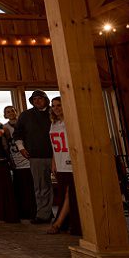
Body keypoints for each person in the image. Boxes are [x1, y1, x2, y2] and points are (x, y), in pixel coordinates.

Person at [12, 90, 54, 224]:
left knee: (67, 185)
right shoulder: (26, 115)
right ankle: (43, 215)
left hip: (58, 156)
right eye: (34, 99)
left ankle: (69, 215)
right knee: (41, 187)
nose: (37, 101)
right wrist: (21, 148)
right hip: (36, 156)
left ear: (45, 99)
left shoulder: (54, 113)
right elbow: (17, 134)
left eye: (39, 98)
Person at [47, 97, 81, 235]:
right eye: (53, 105)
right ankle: (66, 223)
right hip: (60, 162)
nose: (56, 108)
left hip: (71, 162)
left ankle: (58, 224)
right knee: (64, 194)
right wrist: (54, 162)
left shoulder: (71, 121)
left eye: (59, 105)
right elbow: (54, 146)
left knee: (70, 194)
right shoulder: (54, 123)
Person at [3, 106, 35, 220]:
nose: (11, 113)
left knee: (32, 188)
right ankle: (23, 212)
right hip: (16, 160)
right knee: (20, 189)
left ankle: (35, 212)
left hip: (28, 159)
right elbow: (5, 146)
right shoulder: (5, 127)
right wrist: (9, 160)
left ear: (17, 112)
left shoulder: (24, 124)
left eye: (12, 110)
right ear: (5, 115)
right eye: (8, 112)